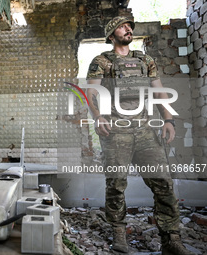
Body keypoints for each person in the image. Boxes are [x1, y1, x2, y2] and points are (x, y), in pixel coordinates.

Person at [86, 16, 194, 255]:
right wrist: (97, 116)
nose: (128, 29)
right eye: (122, 27)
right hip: (116, 132)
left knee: (163, 183)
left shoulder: (145, 60)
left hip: (145, 131)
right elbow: (90, 92)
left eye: (129, 26)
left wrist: (168, 120)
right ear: (111, 34)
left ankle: (172, 240)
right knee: (116, 184)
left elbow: (159, 91)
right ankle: (119, 233)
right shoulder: (102, 61)